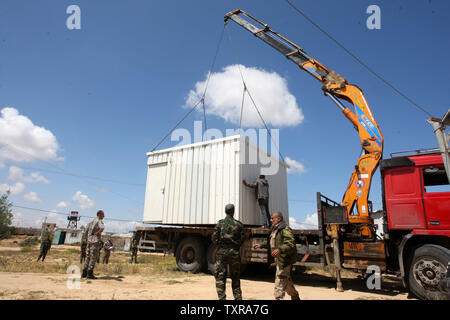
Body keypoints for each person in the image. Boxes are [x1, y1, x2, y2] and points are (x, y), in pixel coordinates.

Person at [253, 212, 300, 300]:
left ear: (278, 219)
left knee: (280, 281)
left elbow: (290, 243)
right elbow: (272, 242)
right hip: (278, 260)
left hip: (284, 260)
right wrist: (261, 245)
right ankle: (295, 296)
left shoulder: (285, 229)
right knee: (286, 280)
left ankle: (278, 298)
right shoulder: (274, 229)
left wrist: (279, 249)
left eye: (272, 218)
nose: (270, 220)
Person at [212, 203, 244, 300]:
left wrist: (220, 245)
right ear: (233, 212)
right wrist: (235, 246)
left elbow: (214, 238)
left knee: (220, 277)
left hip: (222, 252)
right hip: (234, 253)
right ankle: (238, 299)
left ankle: (222, 298)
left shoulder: (220, 224)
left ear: (225, 212)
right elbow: (242, 239)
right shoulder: (239, 225)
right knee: (235, 277)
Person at [82, 210, 105, 279]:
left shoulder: (91, 222)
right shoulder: (99, 221)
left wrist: (86, 238)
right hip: (95, 241)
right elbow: (102, 227)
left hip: (89, 241)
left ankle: (84, 273)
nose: (104, 216)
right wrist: (99, 232)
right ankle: (90, 273)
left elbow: (86, 230)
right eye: (103, 215)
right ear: (99, 214)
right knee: (93, 257)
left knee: (87, 256)